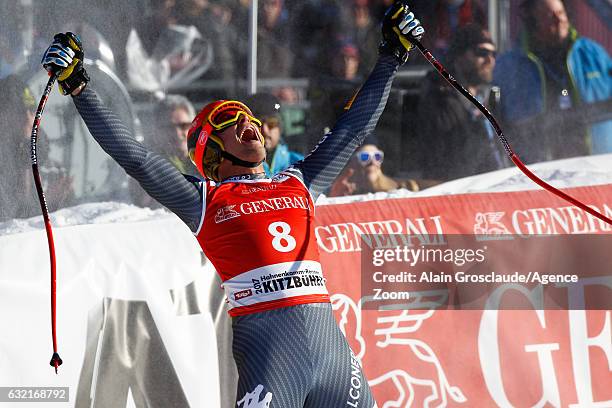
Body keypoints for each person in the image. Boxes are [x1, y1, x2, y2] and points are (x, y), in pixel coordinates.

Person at [40, 2, 425, 405]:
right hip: (274, 366)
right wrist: (80, 86)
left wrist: (391, 56)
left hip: (335, 363)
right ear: (211, 152)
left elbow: (353, 127)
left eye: (251, 119)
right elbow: (135, 157)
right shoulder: (203, 199)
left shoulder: (298, 181)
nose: (250, 123)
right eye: (230, 119)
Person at [493, 0, 612, 163]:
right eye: (550, 16)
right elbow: (498, 123)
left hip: (594, 169)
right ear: (532, 21)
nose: (559, 20)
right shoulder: (510, 66)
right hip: (540, 174)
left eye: (561, 13)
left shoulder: (594, 54)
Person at [415, 24, 509, 182]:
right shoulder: (440, 96)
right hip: (461, 189)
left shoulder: (489, 95)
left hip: (500, 183)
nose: (490, 60)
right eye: (482, 52)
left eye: (494, 54)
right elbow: (446, 160)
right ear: (459, 55)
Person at [0, 75, 73, 222]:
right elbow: (12, 221)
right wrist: (47, 201)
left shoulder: (49, 166)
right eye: (20, 111)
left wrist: (61, 199)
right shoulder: (5, 163)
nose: (28, 118)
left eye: (32, 110)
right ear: (3, 115)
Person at [242, 93, 303, 176]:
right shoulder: (236, 169)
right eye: (258, 124)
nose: (265, 130)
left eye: (272, 123)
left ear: (280, 127)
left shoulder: (299, 164)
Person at [329, 140, 419, 196]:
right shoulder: (338, 191)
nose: (372, 162)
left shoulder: (399, 190)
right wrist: (334, 195)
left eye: (377, 156)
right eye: (365, 157)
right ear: (352, 163)